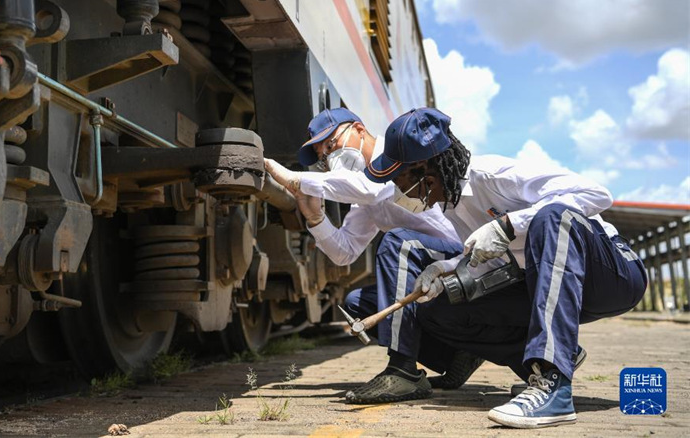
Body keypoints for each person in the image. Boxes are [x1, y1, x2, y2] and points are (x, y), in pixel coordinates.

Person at [364, 107, 647, 428]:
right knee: (439, 311)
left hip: (612, 276)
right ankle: (551, 360)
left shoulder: (494, 174)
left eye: (399, 180)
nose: (398, 191)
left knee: (552, 216)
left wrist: (510, 224)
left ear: (424, 171)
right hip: (544, 284)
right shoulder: (452, 206)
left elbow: (597, 194)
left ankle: (555, 386)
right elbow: (497, 258)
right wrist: (449, 267)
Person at [265, 107, 483, 404]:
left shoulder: (397, 156)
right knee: (358, 303)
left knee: (397, 242)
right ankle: (457, 356)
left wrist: (293, 179)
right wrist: (316, 219)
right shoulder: (363, 191)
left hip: (464, 257)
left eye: (331, 145)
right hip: (428, 268)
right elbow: (345, 253)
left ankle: (402, 370)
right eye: (323, 156)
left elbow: (371, 189)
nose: (329, 158)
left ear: (358, 129)